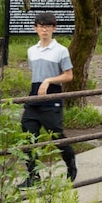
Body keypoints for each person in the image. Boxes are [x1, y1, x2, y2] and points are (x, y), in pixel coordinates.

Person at [19, 12, 77, 188]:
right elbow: (35, 73)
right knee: (28, 137)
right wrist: (41, 83)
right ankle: (33, 175)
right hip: (34, 97)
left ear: (54, 29)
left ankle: (70, 164)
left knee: (57, 135)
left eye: (48, 26)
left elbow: (69, 76)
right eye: (41, 26)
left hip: (52, 98)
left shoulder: (61, 50)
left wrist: (49, 80)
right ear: (35, 28)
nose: (45, 29)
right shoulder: (31, 50)